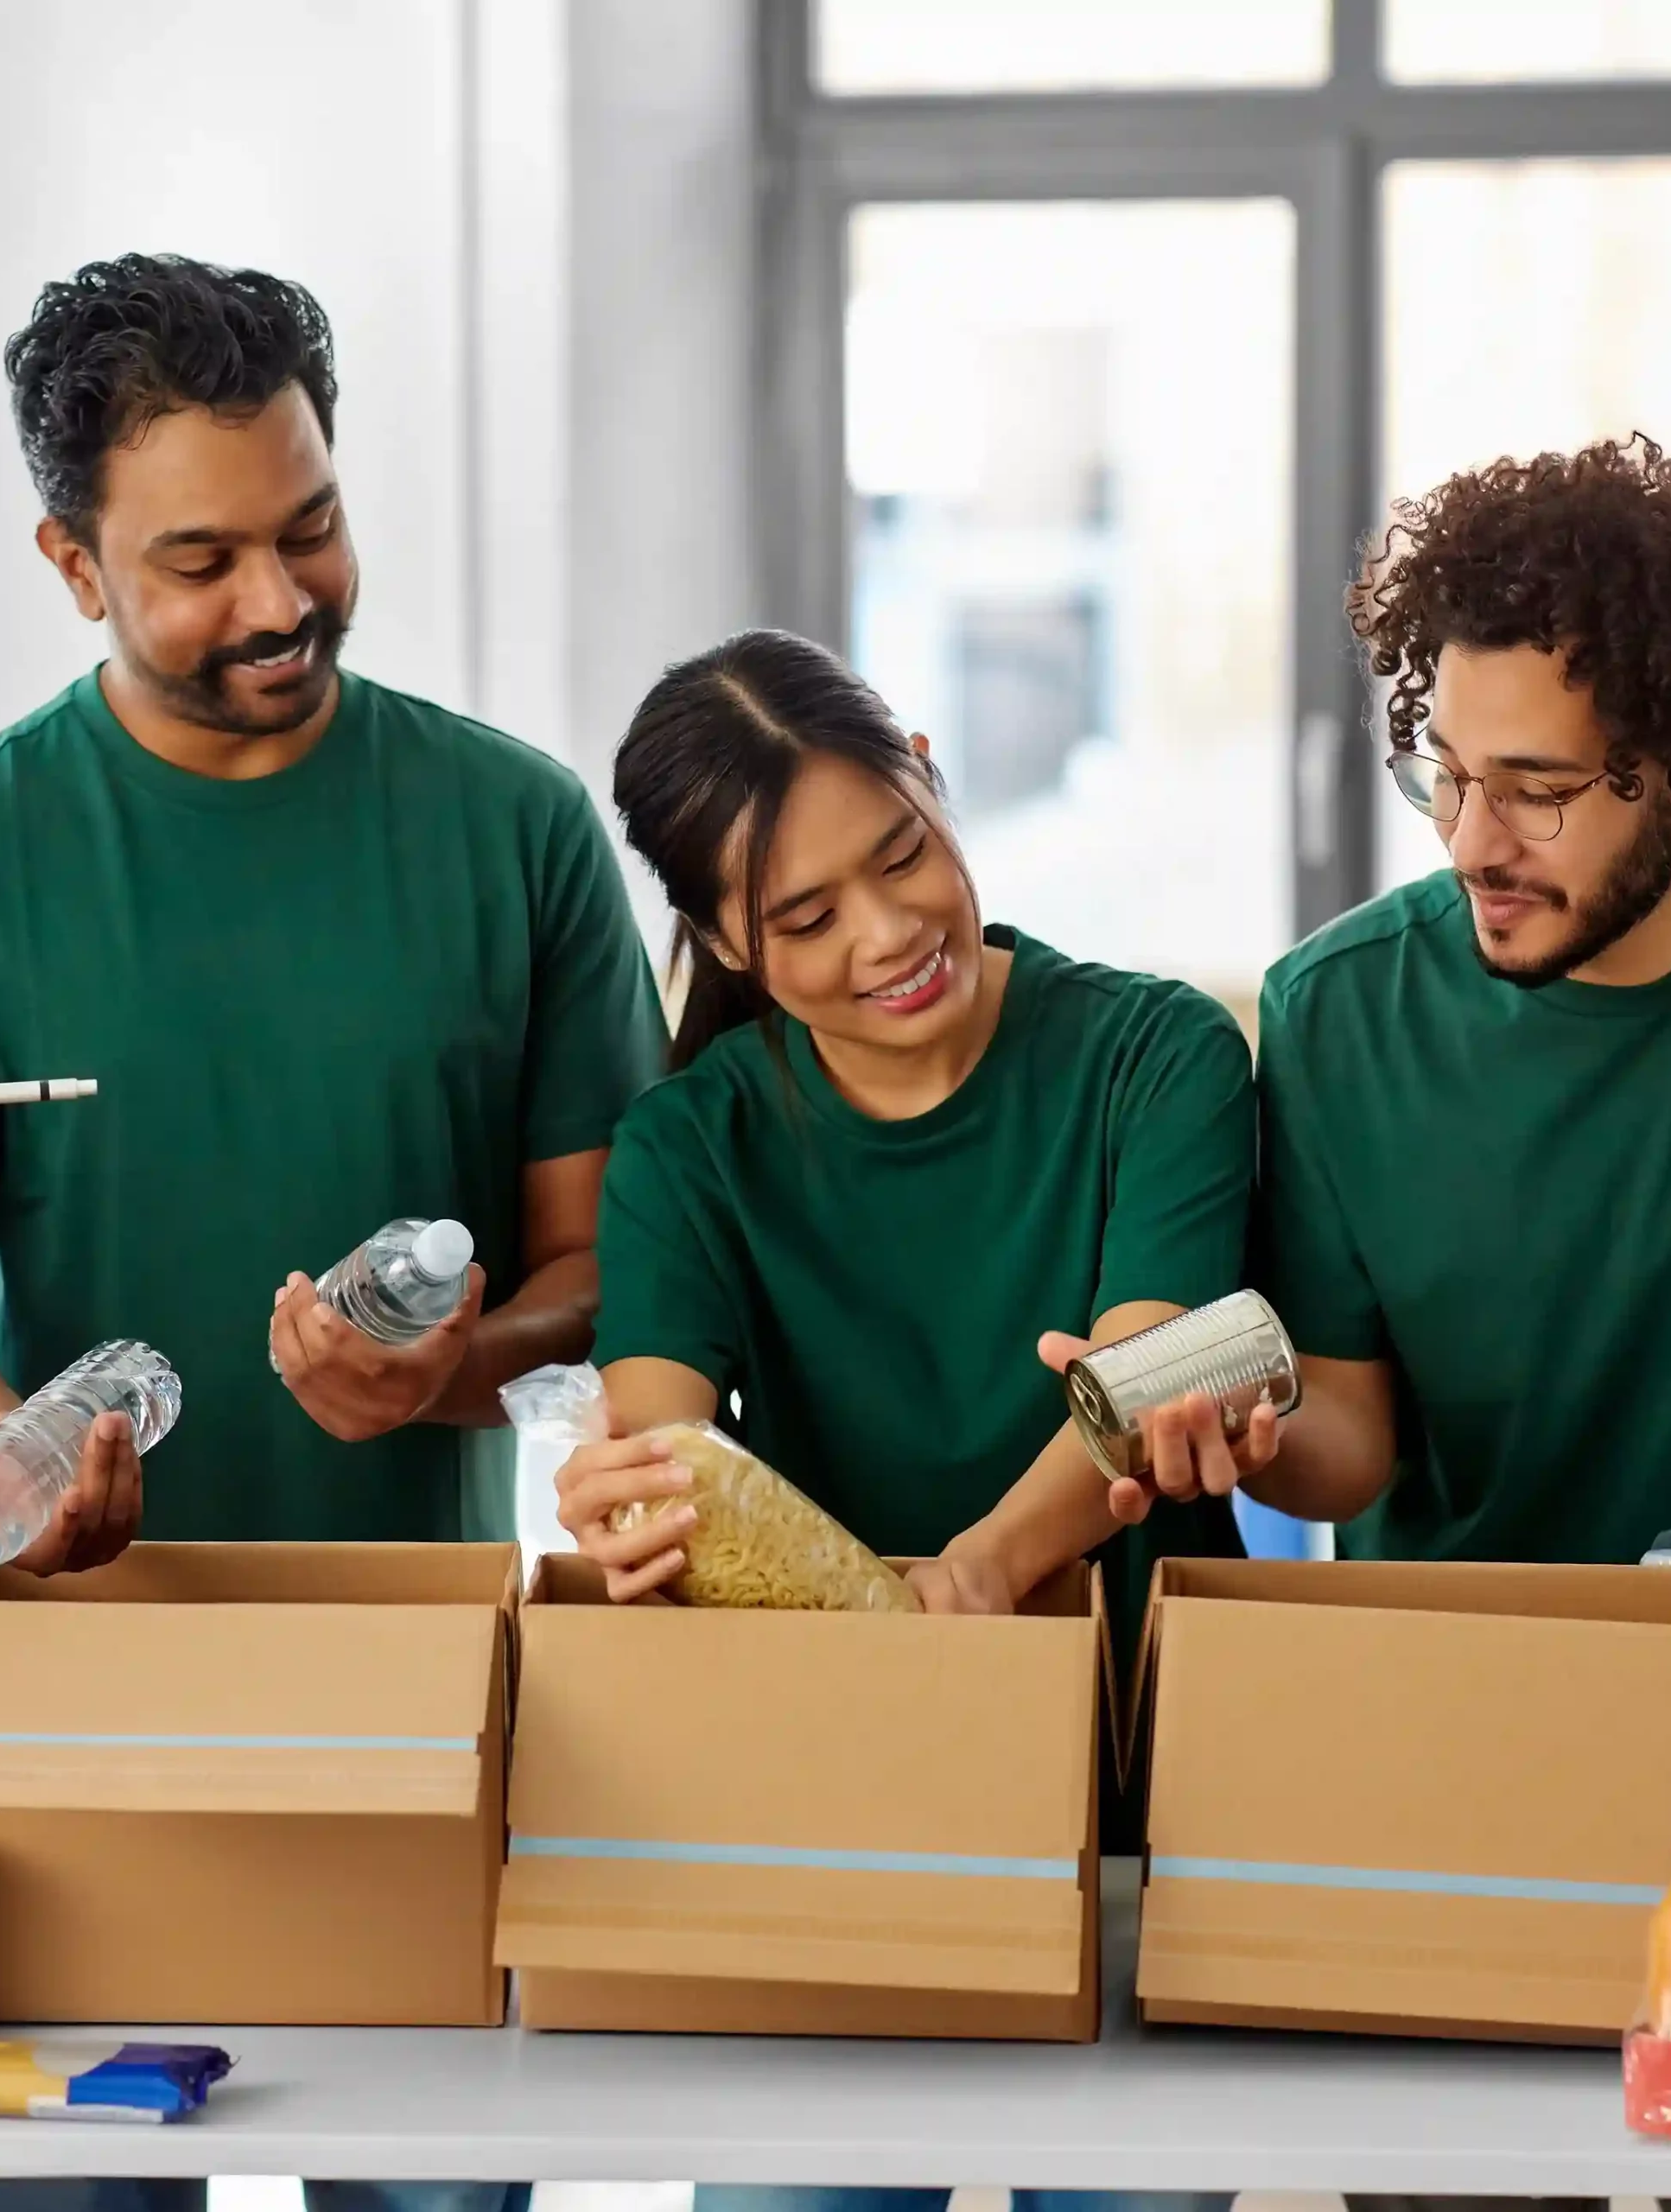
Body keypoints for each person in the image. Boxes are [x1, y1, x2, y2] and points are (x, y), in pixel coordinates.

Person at [1070, 435, 1671, 1788]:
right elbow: (1351, 1448)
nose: (1475, 841)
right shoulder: (1336, 1008)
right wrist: (1246, 1438)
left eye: (1538, 792)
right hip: (1460, 1714)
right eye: (1449, 775)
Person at [0, 253, 664, 2212]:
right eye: (199, 558)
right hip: (74, 1688)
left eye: (315, 527)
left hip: (414, 1688)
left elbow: (603, 1263)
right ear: (70, 561)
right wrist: (10, 1476)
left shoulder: (510, 830)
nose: (279, 603)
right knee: (82, 2194)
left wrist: (465, 1362)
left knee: (442, 2191)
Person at [552, 627, 1250, 2212]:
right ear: (722, 936)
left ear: (932, 775)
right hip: (842, 1816)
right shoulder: (688, 1148)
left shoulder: (1158, 1056)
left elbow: (1141, 1386)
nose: (888, 933)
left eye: (901, 853)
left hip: (1149, 1803)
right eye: (805, 916)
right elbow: (661, 1439)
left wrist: (985, 1571)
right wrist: (631, 1507)